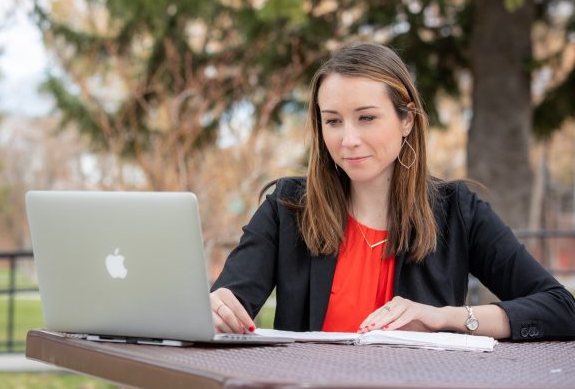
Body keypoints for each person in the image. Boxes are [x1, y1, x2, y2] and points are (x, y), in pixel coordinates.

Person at [210, 42, 575, 341]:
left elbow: (561, 308)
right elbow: (226, 305)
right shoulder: (287, 208)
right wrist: (216, 307)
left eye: (366, 118)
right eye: (333, 121)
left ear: (406, 120)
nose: (348, 140)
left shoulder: (458, 211)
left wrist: (446, 318)